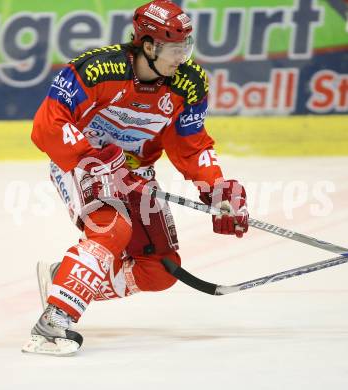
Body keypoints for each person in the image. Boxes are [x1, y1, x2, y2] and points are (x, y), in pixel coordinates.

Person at [22, 0, 249, 356]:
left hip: (134, 172)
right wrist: (89, 157)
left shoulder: (189, 85)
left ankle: (64, 276)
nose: (182, 56)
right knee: (111, 227)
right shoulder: (96, 69)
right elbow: (47, 125)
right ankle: (54, 322)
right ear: (147, 45)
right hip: (81, 161)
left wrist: (216, 188)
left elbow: (191, 145)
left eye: (186, 47)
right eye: (175, 48)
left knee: (159, 270)